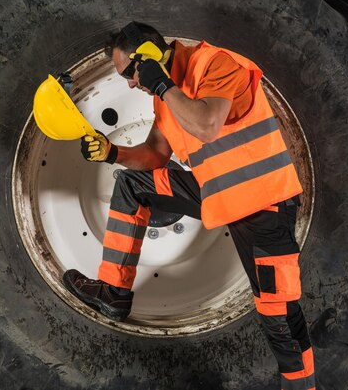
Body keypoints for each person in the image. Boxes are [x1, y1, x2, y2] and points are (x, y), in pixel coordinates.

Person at [62, 21, 315, 390]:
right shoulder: (165, 96)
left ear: (149, 55)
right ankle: (114, 292)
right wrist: (112, 152)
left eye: (131, 72)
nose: (131, 83)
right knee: (133, 184)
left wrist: (163, 87)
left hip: (264, 205)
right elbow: (155, 155)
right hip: (217, 193)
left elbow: (208, 125)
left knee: (279, 317)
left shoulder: (215, 64)